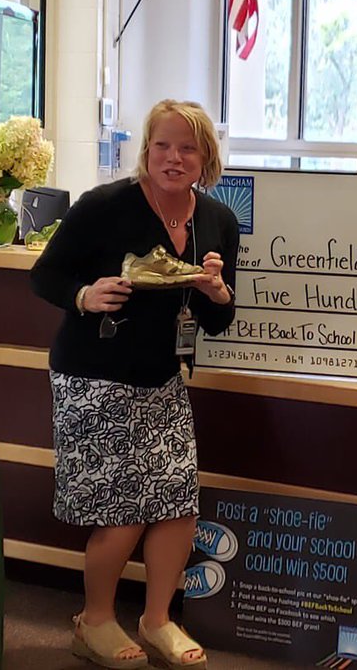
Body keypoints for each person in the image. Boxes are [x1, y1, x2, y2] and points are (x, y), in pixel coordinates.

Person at [30, 100, 239, 670]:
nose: (174, 158)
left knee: (177, 503)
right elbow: (44, 275)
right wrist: (84, 295)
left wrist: (217, 292)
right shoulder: (105, 206)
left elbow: (218, 319)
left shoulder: (218, 221)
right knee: (122, 512)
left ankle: (157, 620)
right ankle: (94, 622)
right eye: (162, 145)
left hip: (162, 379)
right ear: (146, 150)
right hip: (93, 376)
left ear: (206, 157)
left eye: (187, 148)